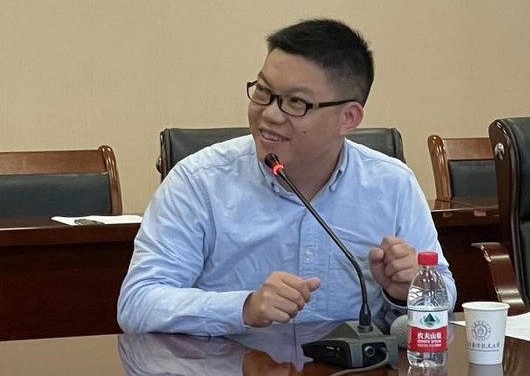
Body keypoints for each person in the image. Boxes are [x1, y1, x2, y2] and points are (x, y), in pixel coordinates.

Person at [117, 18, 456, 337]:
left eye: (296, 102)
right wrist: (244, 307)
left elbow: (443, 289)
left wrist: (406, 290)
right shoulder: (199, 182)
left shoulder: (392, 184)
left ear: (348, 118)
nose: (269, 114)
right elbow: (137, 302)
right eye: (263, 92)